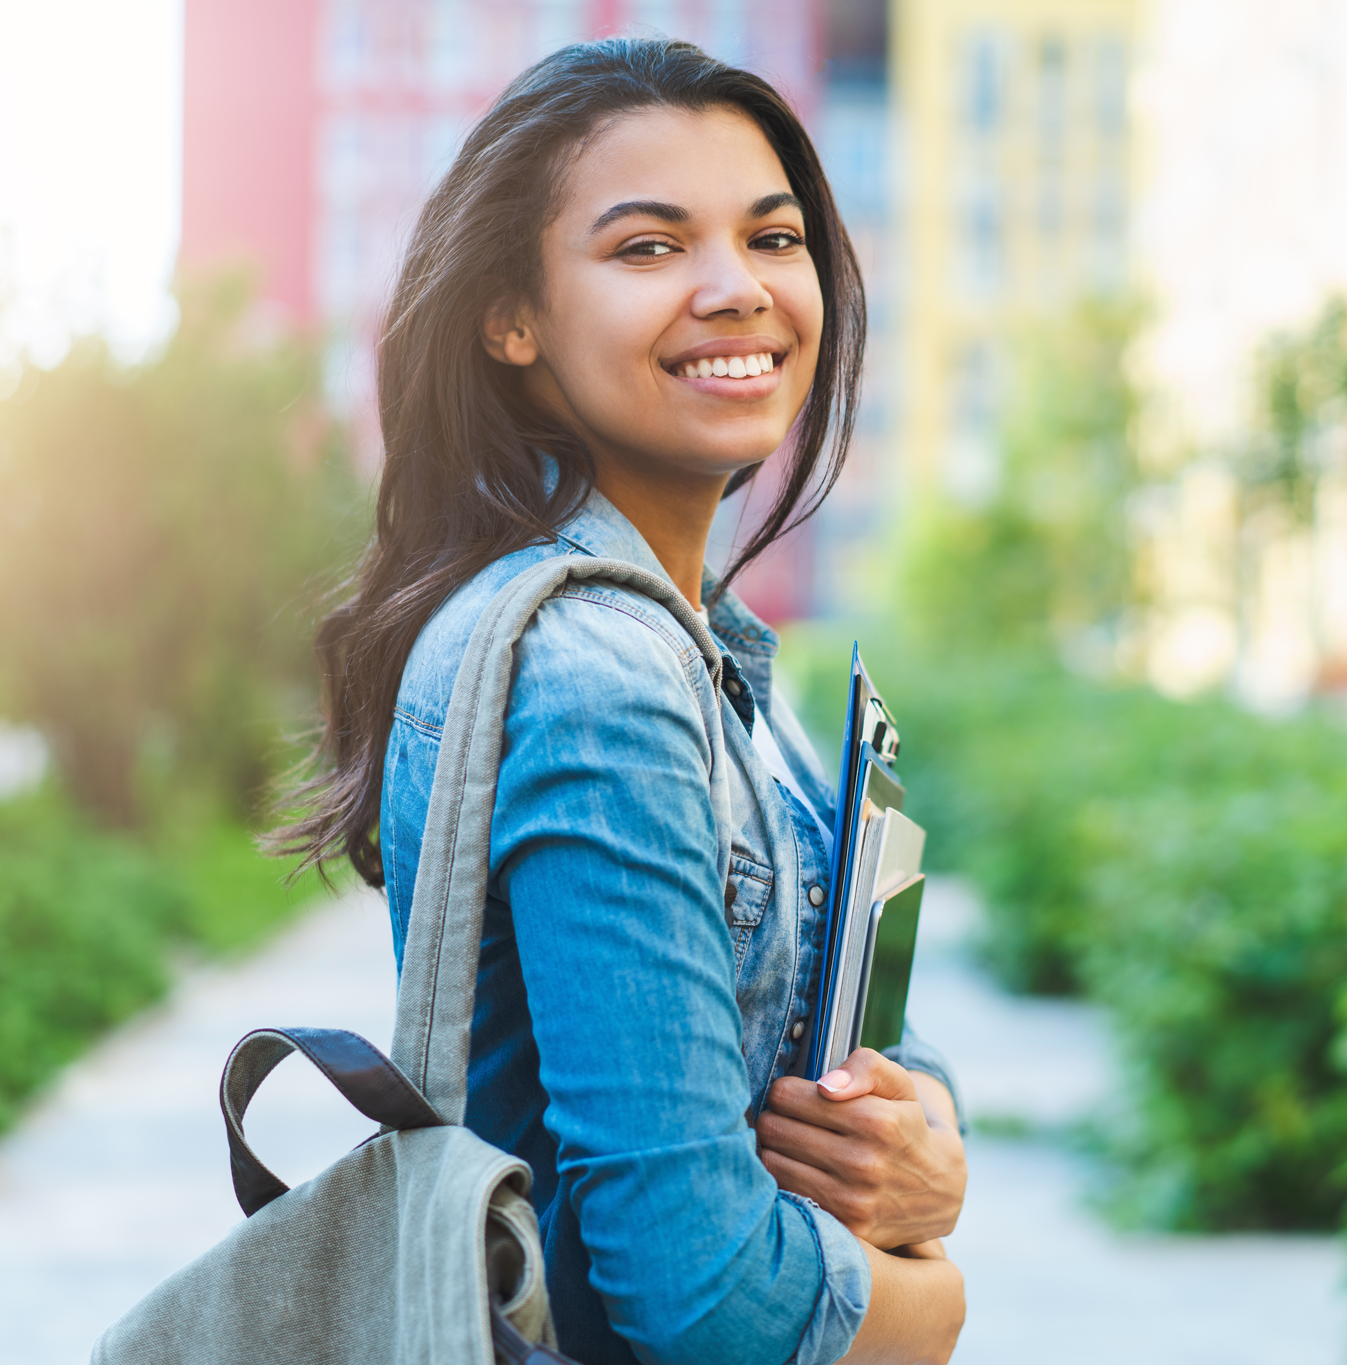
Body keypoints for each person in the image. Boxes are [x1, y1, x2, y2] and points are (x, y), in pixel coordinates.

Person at [275, 38, 967, 1365]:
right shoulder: (596, 674)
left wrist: (927, 1150)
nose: (738, 288)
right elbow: (704, 1303)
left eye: (773, 238)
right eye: (649, 247)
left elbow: (872, 1046)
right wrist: (936, 1304)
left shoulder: (708, 648)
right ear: (511, 317)